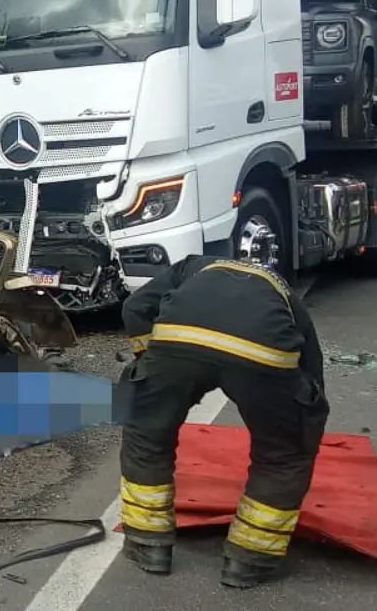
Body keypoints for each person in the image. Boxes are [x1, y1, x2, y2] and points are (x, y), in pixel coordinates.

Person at [115, 251, 328, 590]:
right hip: (264, 351)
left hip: (179, 339)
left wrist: (150, 365)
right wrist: (304, 418)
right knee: (284, 454)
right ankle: (250, 560)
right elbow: (310, 367)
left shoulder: (190, 267)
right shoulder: (282, 290)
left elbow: (135, 308)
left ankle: (146, 543)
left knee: (147, 435)